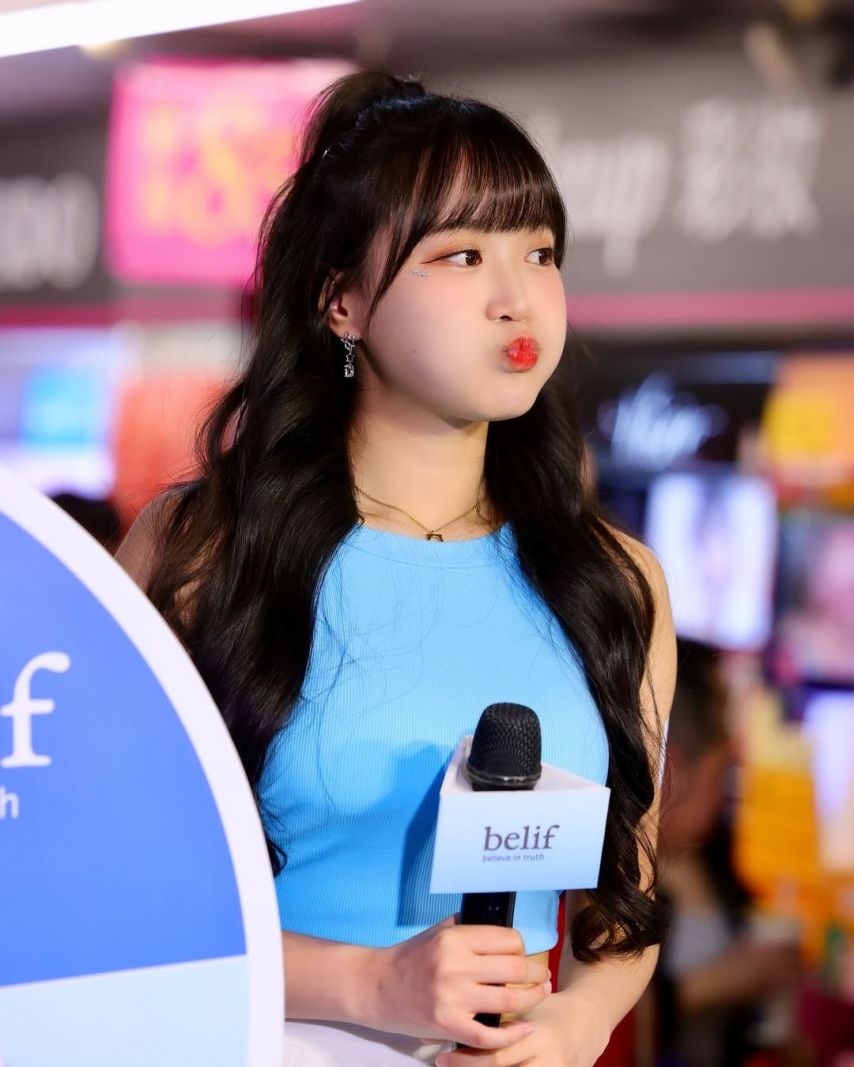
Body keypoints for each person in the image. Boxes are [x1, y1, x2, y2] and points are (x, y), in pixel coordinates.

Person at [116, 70, 676, 1067]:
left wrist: (574, 1023)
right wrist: (371, 981)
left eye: (539, 252)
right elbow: (109, 880)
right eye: (461, 254)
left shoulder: (612, 581)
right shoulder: (205, 550)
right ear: (341, 300)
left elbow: (622, 907)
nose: (516, 297)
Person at [655, 640, 803, 1067]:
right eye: (721, 771)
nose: (726, 791)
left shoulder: (715, 856)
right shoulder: (611, 880)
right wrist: (722, 981)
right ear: (674, 771)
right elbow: (612, 1020)